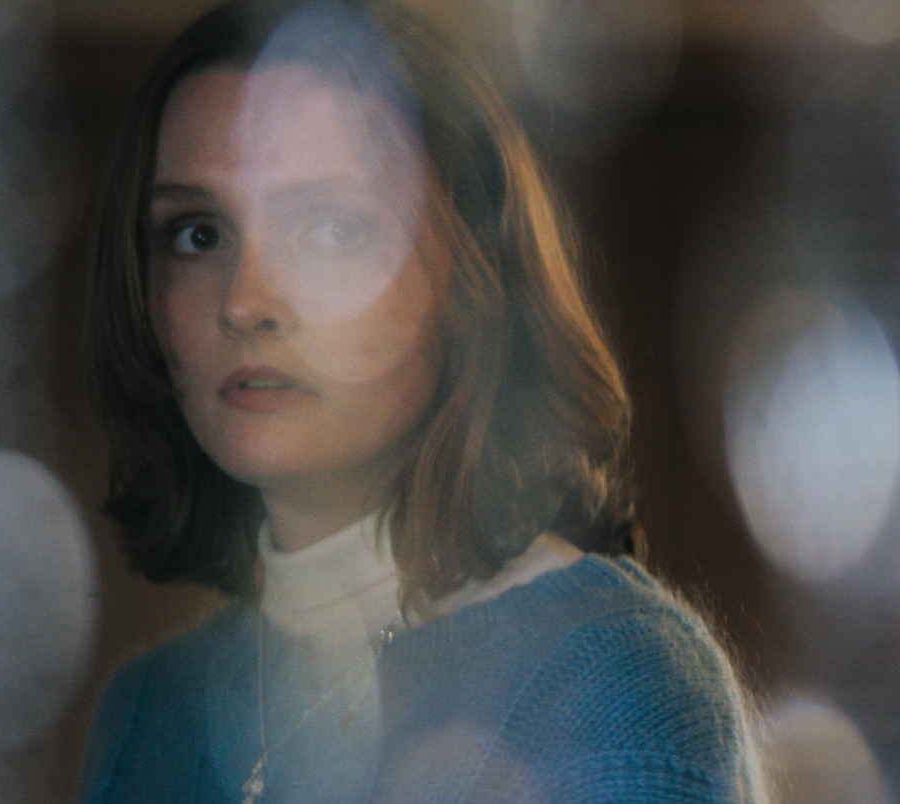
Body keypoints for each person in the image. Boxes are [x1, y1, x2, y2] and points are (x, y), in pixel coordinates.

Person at [78, 0, 765, 800]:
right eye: (198, 234)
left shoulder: (617, 695)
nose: (245, 302)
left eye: (332, 230)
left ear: (472, 278)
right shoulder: (145, 712)